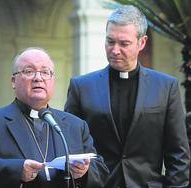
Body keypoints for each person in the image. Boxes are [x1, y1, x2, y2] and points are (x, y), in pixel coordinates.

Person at [64, 5, 190, 188]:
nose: (115, 50)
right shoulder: (81, 87)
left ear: (142, 42)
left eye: (124, 43)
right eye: (110, 41)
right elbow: (70, 145)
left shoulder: (166, 87)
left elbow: (178, 153)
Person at [0, 47, 109, 188]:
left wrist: (84, 172)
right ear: (13, 81)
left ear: (52, 80)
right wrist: (17, 170)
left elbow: (101, 171)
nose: (38, 78)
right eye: (29, 71)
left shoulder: (76, 125)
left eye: (45, 72)